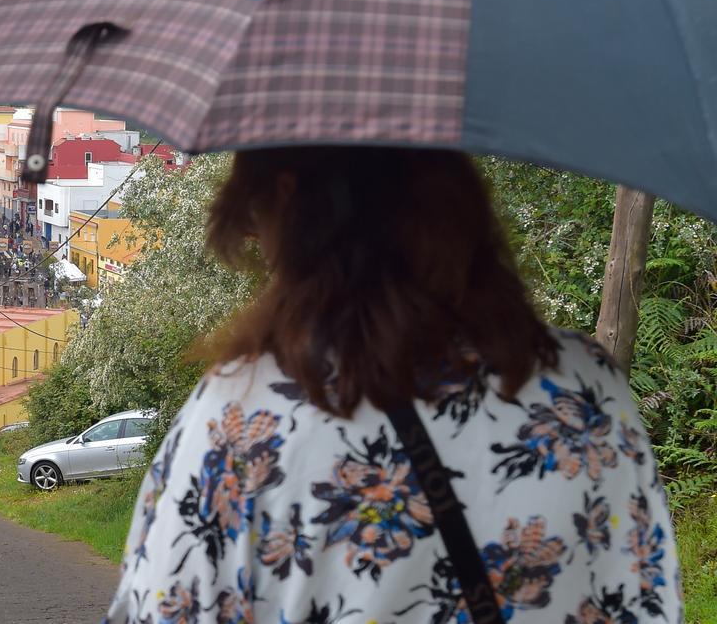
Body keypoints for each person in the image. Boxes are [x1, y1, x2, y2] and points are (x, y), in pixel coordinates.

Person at [105, 147, 680, 624]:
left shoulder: (238, 421)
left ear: (287, 200)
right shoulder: (586, 390)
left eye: (255, 219)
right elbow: (647, 599)